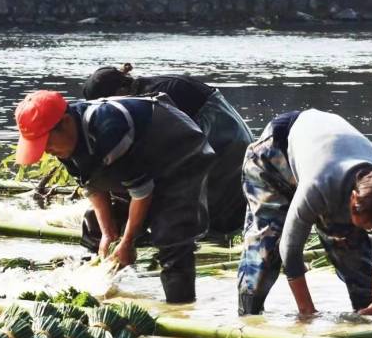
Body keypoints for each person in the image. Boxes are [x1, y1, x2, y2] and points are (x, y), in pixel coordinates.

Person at [13, 90, 218, 303]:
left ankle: (180, 308)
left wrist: (128, 241)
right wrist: (108, 235)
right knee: (95, 225)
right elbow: (92, 186)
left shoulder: (109, 128)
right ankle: (106, 295)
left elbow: (142, 192)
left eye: (47, 143)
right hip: (136, 168)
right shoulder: (64, 145)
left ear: (65, 123)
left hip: (180, 156)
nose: (46, 151)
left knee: (171, 235)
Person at [237, 109, 372, 317]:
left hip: (325, 152)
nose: (371, 231)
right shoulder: (319, 186)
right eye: (368, 225)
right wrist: (307, 312)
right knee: (265, 249)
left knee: (354, 255)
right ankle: (247, 319)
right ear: (354, 200)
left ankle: (365, 316)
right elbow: (290, 251)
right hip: (275, 153)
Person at [82, 63, 253, 236]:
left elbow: (167, 154)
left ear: (119, 93)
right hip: (233, 141)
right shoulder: (145, 89)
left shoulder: (155, 98)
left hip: (223, 143)